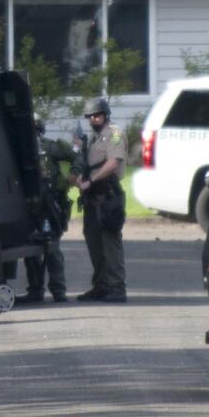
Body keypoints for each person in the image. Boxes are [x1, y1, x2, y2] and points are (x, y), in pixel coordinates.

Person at [71, 96, 127, 303]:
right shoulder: (93, 139)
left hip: (109, 196)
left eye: (97, 115)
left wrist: (91, 180)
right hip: (93, 198)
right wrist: (80, 176)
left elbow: (113, 163)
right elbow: (89, 164)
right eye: (91, 116)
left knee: (110, 244)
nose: (94, 119)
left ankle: (117, 288)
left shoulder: (115, 134)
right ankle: (101, 285)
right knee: (94, 243)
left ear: (105, 115)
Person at [19, 118, 73, 304]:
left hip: (51, 205)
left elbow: (76, 157)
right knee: (32, 250)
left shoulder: (51, 147)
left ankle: (58, 291)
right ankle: (36, 290)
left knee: (52, 249)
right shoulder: (20, 149)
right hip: (29, 206)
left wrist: (73, 175)